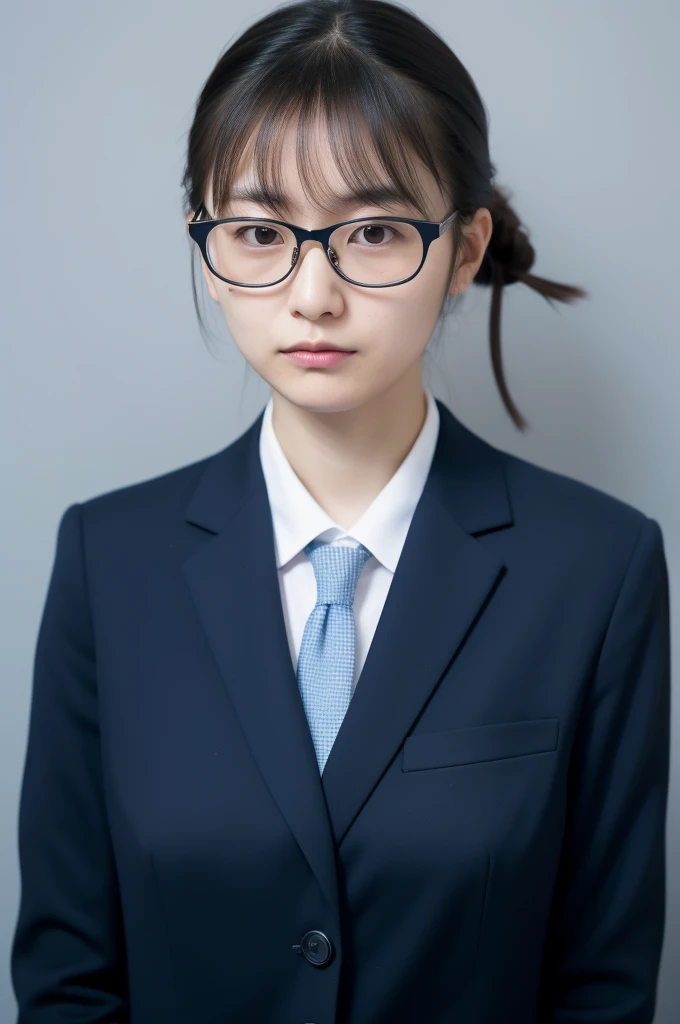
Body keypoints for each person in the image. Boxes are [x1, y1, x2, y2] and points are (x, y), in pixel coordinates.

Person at [10, 1, 671, 1022]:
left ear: (461, 248)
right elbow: (67, 977)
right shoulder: (109, 560)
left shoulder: (598, 571)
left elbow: (601, 983)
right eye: (261, 231)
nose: (311, 293)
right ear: (206, 247)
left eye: (370, 231)